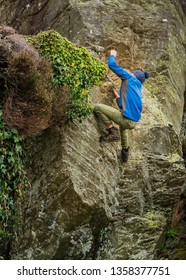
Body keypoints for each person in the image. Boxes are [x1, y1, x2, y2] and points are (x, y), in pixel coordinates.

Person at [93, 49, 149, 162]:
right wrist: (118, 97)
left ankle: (112, 131)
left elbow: (112, 65)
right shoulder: (138, 88)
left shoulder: (129, 78)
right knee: (123, 129)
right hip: (132, 122)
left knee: (97, 108)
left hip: (126, 119)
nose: (130, 73)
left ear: (134, 75)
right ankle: (125, 153)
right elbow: (125, 104)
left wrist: (112, 55)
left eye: (132, 73)